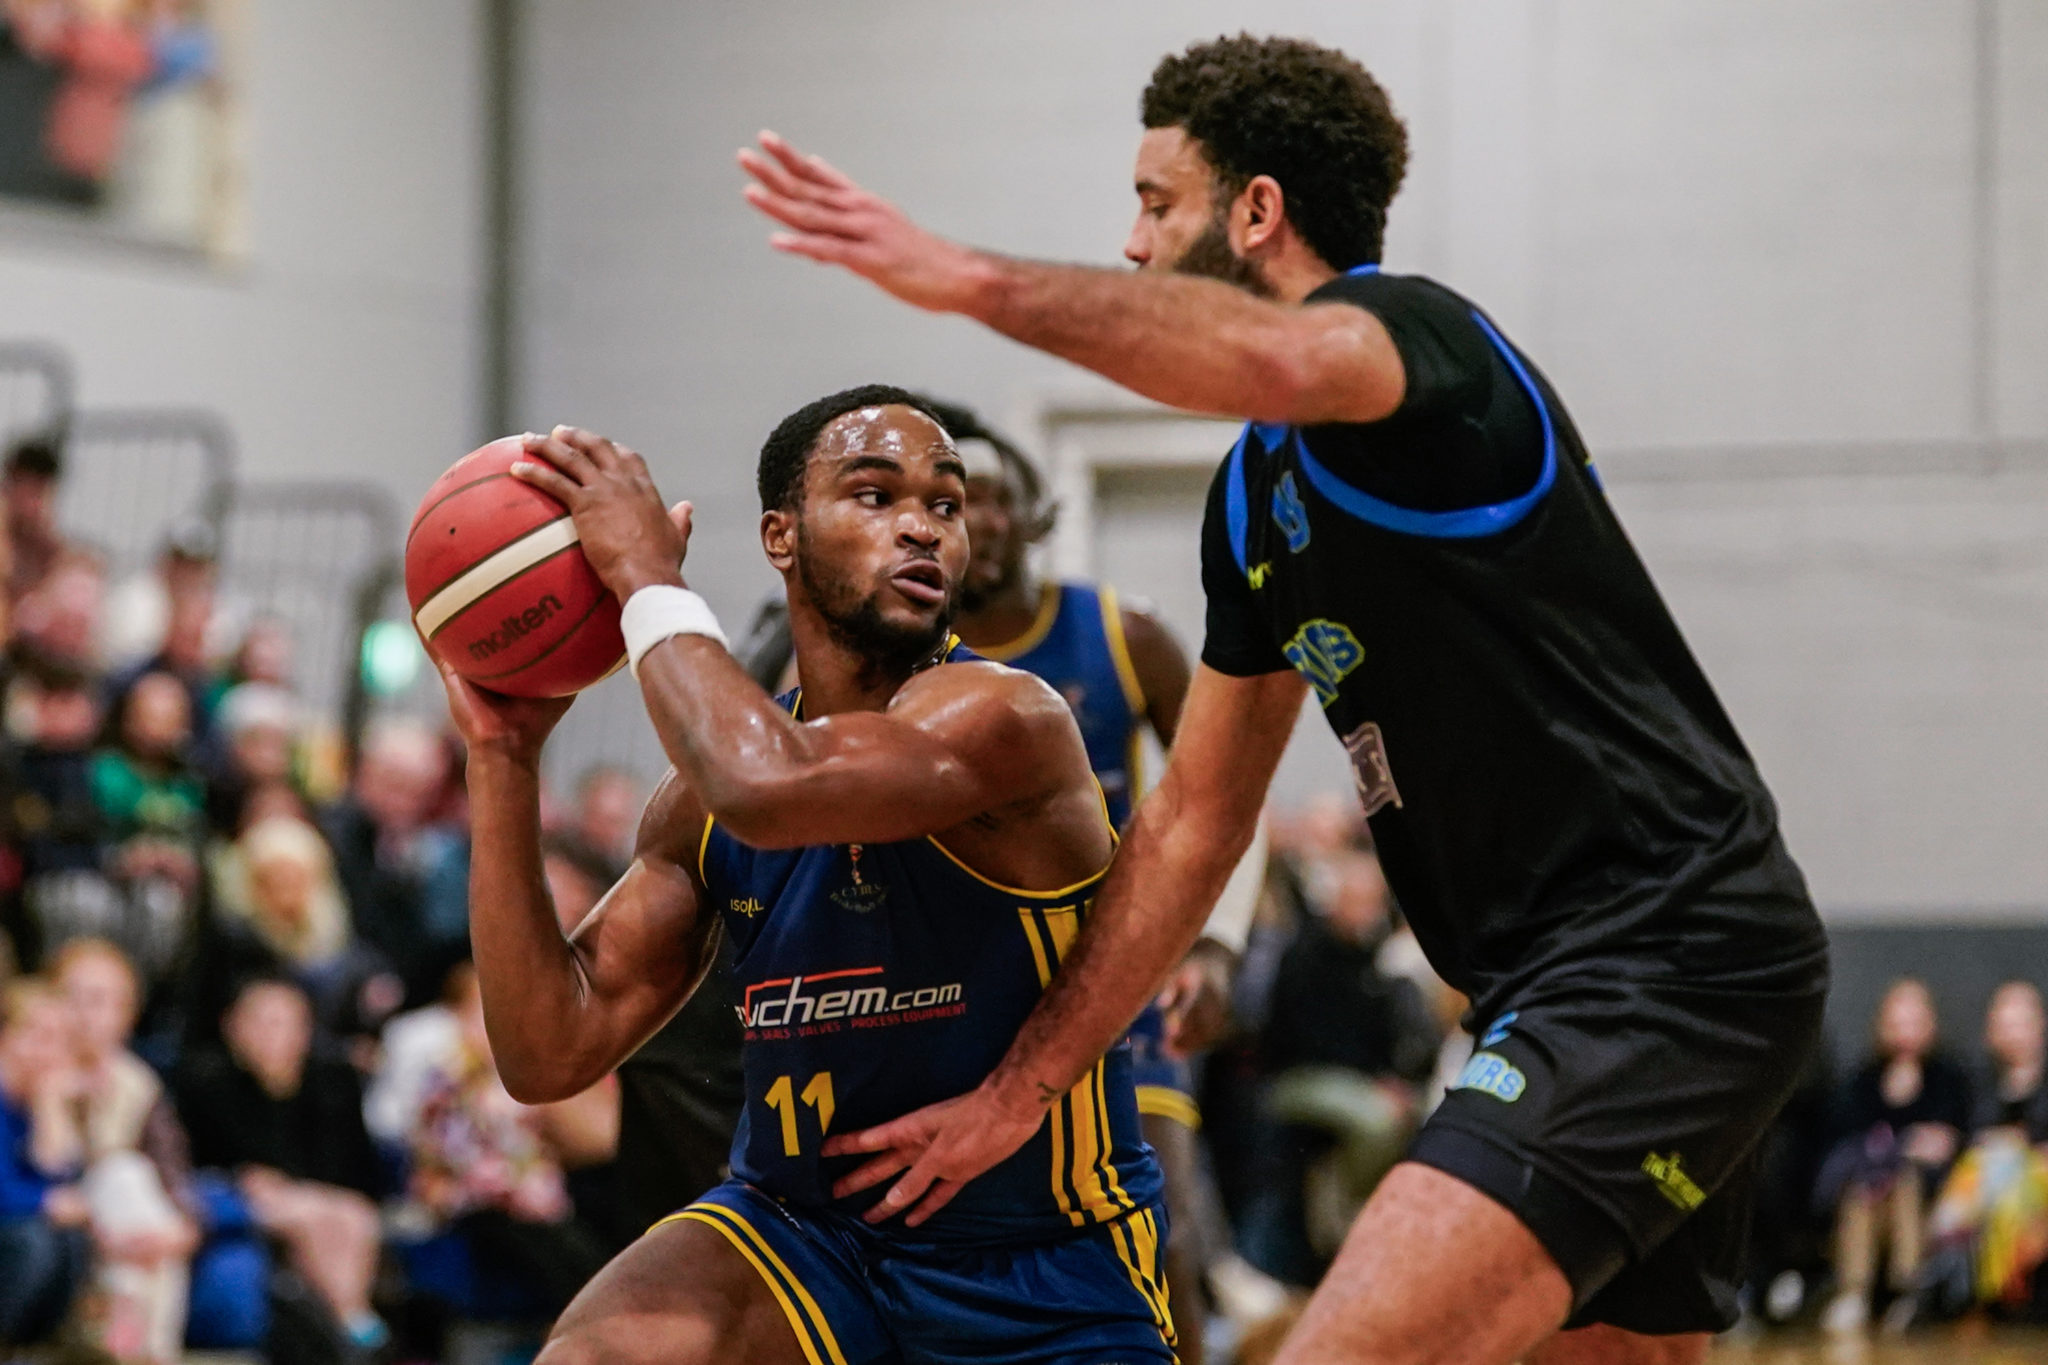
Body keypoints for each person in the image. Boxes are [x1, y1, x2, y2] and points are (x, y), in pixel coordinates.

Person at [740, 33, 1831, 1365]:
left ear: (1256, 211)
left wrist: (966, 281)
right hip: (1558, 984)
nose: (1130, 246)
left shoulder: (1421, 342)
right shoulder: (1253, 501)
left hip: (1662, 959)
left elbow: (1285, 362)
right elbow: (1196, 820)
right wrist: (1022, 1088)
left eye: (1156, 205)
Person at [439, 396, 1175, 1363]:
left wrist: (646, 578)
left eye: (944, 505)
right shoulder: (698, 807)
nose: (921, 525)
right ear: (779, 538)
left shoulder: (1008, 718)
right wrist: (502, 762)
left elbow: (767, 785)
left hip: (1035, 1265)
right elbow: (544, 1052)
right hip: (807, 1240)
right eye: (874, 495)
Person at [931, 395, 1250, 1362]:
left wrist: (1219, 944)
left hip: (1116, 977)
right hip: (970, 996)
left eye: (994, 497)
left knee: (1168, 1228)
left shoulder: (1124, 634)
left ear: (1036, 514)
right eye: (956, 501)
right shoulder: (914, 659)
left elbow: (1230, 789)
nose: (976, 517)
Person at [173, 973, 386, 1352]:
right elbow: (205, 1162)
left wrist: (295, 1186)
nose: (272, 1034)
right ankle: (352, 1322)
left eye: (285, 1022)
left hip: (317, 1199)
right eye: (260, 1021)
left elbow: (352, 1166)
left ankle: (342, 1327)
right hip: (233, 1200)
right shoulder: (205, 1081)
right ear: (232, 1026)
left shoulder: (332, 1083)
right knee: (321, 1218)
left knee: (353, 1216)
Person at [1816, 977, 1971, 1333]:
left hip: (1927, 1197)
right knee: (1863, 1189)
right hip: (1869, 1195)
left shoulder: (1947, 1078)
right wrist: (1904, 1143)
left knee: (1903, 1180)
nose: (1905, 1034)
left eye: (1914, 1022)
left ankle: (1909, 1288)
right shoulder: (1864, 1081)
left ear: (1930, 1025)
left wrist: (1919, 1147)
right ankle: (1854, 1290)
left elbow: (1953, 1141)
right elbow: (1848, 1140)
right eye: (1897, 1023)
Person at [0, 976, 90, 1348]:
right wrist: (44, 1203)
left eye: (58, 1040)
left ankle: (29, 1349)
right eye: (35, 1034)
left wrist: (51, 1108)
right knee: (34, 1239)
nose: (46, 1050)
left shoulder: (36, 1099)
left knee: (69, 1239)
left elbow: (64, 1177)